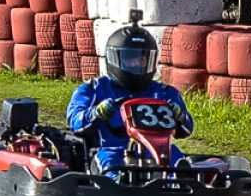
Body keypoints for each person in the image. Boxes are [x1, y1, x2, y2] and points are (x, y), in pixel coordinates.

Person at [66, 14, 193, 174]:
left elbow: (187, 129)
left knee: (175, 156)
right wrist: (96, 113)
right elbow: (75, 121)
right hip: (113, 150)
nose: (137, 64)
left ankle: (181, 180)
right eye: (130, 59)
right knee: (108, 162)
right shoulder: (95, 89)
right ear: (114, 58)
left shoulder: (164, 92)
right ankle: (117, 182)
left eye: (142, 59)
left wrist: (180, 116)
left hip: (156, 153)